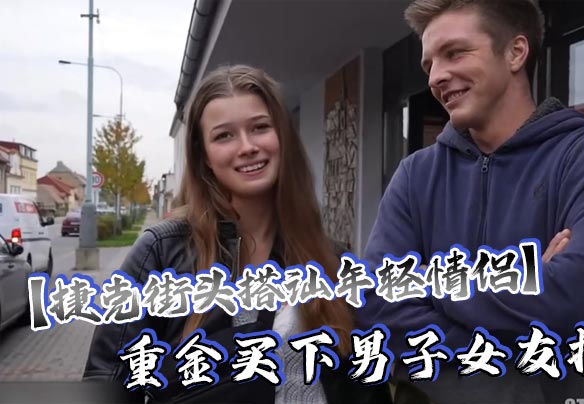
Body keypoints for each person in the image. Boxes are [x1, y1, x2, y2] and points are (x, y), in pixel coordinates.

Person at [357, 0, 584, 403]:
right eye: (429, 64)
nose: (436, 77)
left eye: (455, 53)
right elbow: (377, 303)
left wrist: (426, 282)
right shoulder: (415, 175)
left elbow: (573, 302)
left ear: (515, 52)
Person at [83, 65, 392, 404]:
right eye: (224, 136)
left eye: (260, 127)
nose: (247, 147)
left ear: (283, 137)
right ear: (204, 156)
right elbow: (106, 382)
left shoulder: (333, 261)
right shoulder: (161, 252)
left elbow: (367, 384)